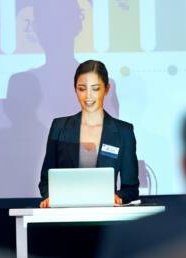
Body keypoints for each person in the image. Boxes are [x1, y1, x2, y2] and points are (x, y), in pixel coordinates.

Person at [39, 60, 139, 208]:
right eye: (82, 89)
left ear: (106, 89)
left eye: (95, 88)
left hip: (107, 221)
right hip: (65, 216)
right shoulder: (59, 127)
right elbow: (46, 181)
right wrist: (50, 197)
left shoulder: (124, 132)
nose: (88, 96)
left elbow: (130, 188)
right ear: (75, 90)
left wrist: (118, 198)